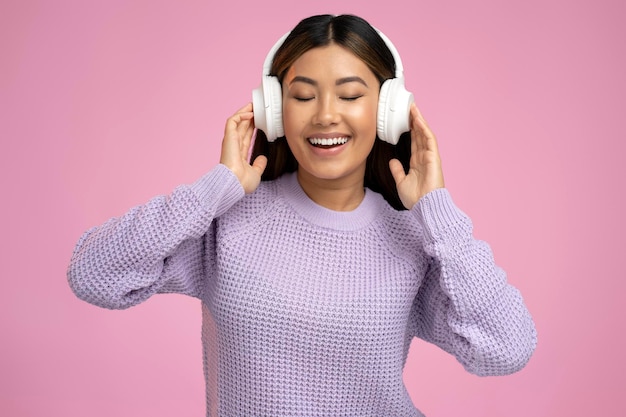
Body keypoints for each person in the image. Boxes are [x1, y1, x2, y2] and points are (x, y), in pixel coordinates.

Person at [67, 14, 537, 417]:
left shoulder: (415, 241)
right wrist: (214, 190)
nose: (325, 115)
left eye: (350, 95)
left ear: (387, 111)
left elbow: (507, 349)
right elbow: (92, 274)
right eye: (303, 95)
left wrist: (436, 211)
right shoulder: (225, 222)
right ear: (273, 109)